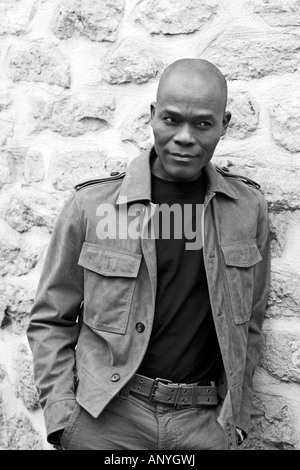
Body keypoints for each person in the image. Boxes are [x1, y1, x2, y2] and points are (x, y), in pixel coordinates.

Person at [27, 58, 271, 451]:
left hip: (204, 427)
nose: (185, 137)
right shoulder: (94, 207)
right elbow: (50, 319)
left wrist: (236, 419)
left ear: (225, 124)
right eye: (172, 120)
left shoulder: (246, 209)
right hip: (104, 421)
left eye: (203, 123)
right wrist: (61, 417)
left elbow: (251, 324)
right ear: (153, 116)